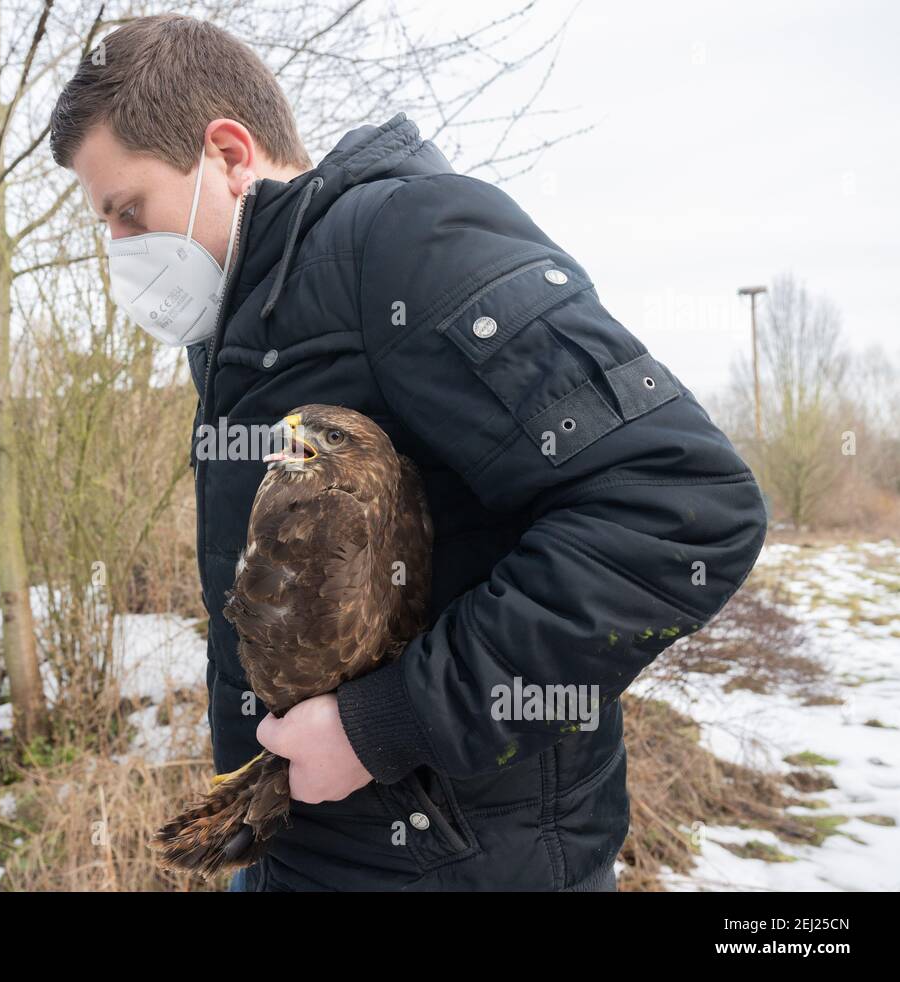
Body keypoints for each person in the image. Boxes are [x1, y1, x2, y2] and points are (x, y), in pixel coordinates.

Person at [50, 14, 767, 891]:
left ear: (231, 156)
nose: (121, 250)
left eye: (129, 211)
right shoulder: (239, 324)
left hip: (460, 864)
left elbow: (677, 507)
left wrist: (385, 725)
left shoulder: (408, 241)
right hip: (307, 853)